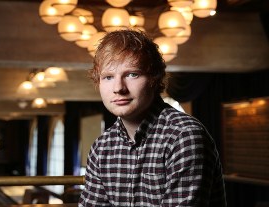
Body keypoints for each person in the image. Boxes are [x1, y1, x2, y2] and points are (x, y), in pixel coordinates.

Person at [79, 29, 226, 207]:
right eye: (108, 77)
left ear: (154, 79)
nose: (118, 88)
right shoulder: (102, 147)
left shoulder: (184, 136)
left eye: (132, 74)